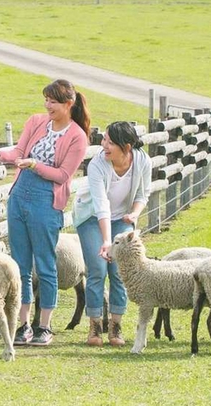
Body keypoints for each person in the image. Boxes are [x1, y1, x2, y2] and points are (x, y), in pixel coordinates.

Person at [0, 79, 90, 346]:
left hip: (46, 202)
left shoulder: (77, 137)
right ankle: (23, 324)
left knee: (45, 265)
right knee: (20, 264)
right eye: (46, 100)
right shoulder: (35, 122)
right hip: (19, 197)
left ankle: (45, 326)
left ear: (68, 104)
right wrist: (0, 155)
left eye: (52, 101)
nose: (47, 105)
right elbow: (18, 151)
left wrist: (35, 165)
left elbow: (63, 175)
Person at [73, 121, 151, 347]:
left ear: (126, 147)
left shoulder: (142, 161)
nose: (103, 145)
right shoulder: (98, 163)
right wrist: (106, 242)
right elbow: (100, 205)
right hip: (91, 218)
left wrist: (134, 215)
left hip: (123, 218)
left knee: (119, 270)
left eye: (109, 142)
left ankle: (116, 328)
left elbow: (143, 194)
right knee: (97, 269)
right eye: (104, 139)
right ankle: (95, 327)